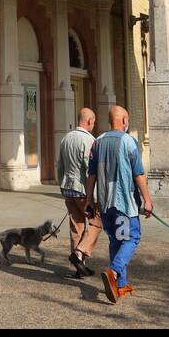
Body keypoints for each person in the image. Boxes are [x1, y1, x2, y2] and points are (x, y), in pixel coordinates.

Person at [85, 105, 153, 304]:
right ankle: (114, 272)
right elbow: (138, 174)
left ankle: (120, 286)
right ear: (124, 121)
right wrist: (147, 200)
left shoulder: (97, 142)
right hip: (125, 203)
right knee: (131, 239)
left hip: (105, 204)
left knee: (116, 241)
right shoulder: (128, 142)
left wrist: (89, 199)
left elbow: (91, 174)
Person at [57, 107, 102, 278]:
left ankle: (80, 267)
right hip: (83, 190)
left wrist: (62, 186)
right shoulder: (89, 140)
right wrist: (94, 195)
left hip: (68, 188)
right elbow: (89, 169)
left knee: (77, 227)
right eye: (93, 122)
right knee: (97, 223)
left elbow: (60, 165)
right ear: (90, 121)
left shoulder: (65, 138)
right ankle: (79, 253)